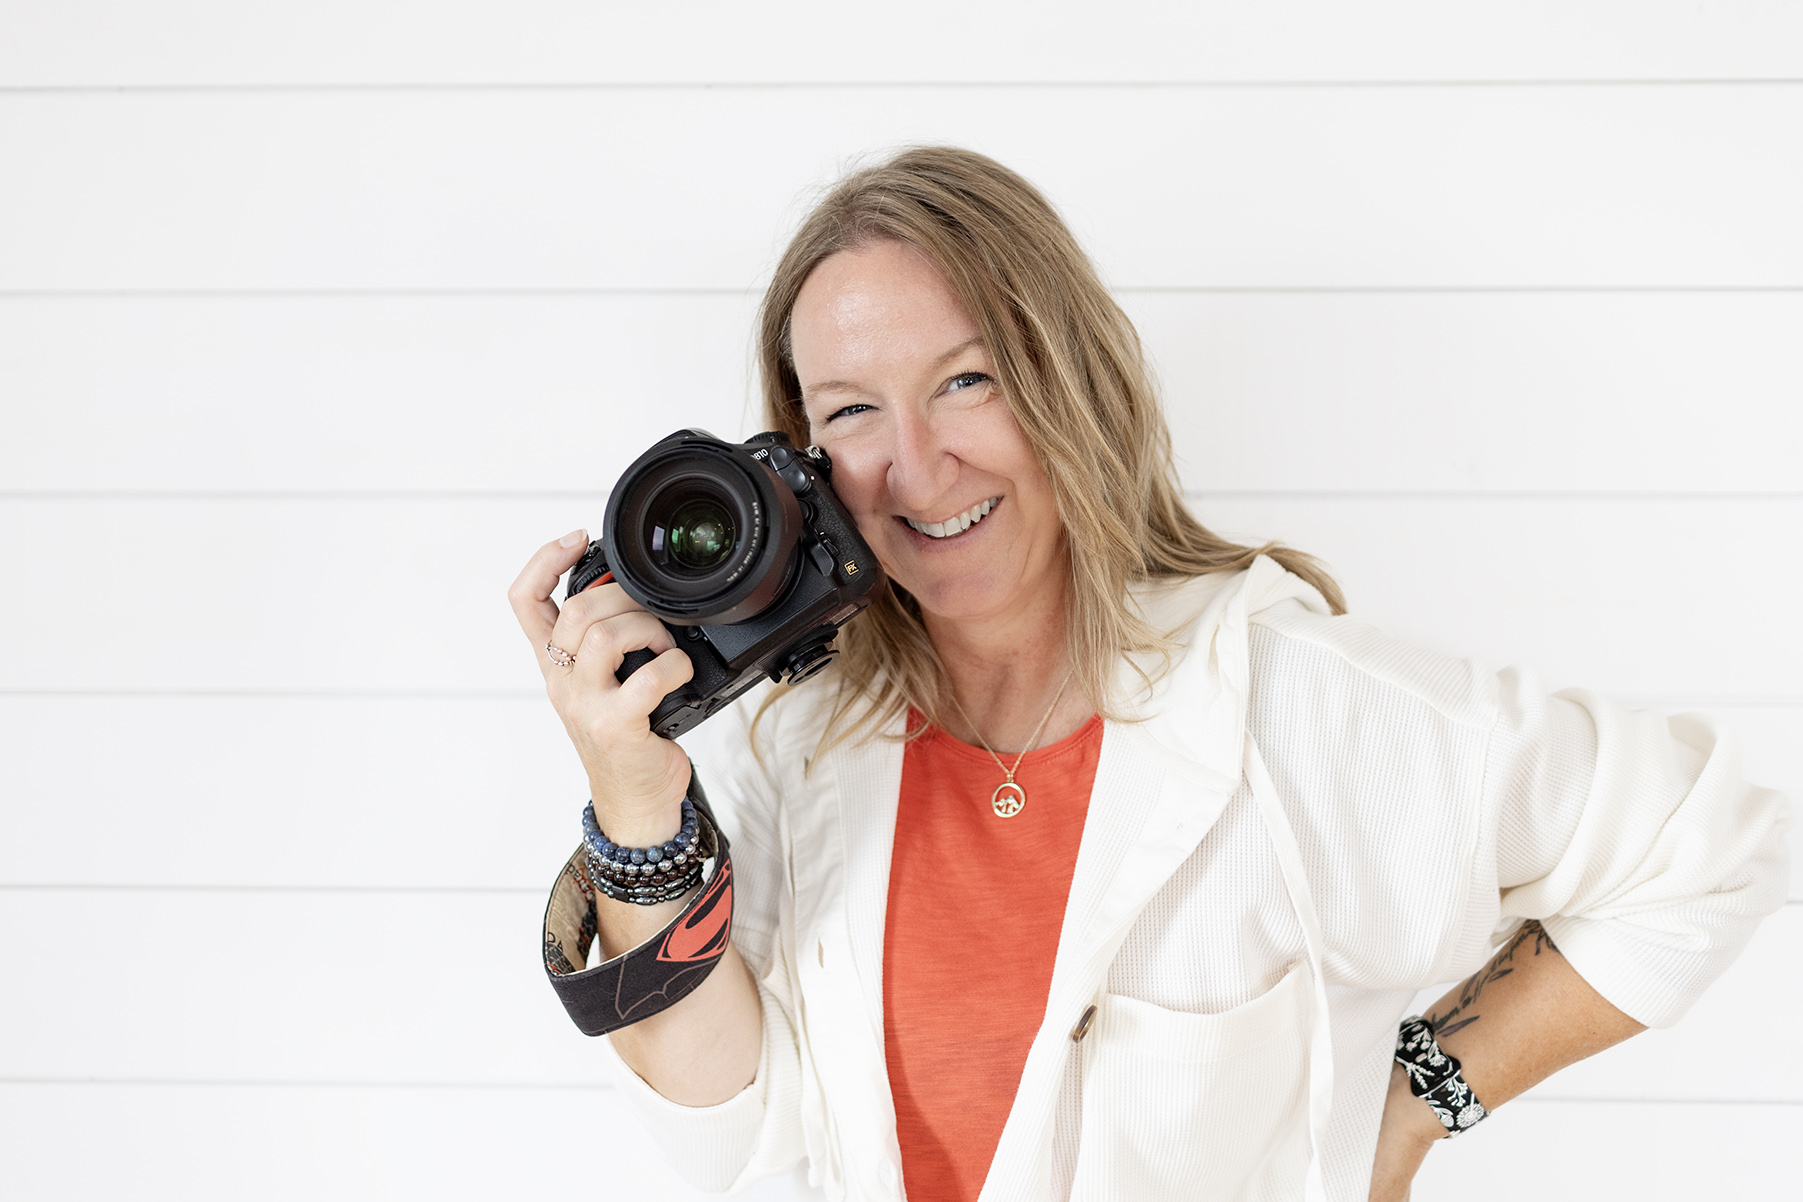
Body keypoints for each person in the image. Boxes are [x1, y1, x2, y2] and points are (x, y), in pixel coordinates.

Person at [507, 146, 1790, 1202]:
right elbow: (729, 1136)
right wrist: (635, 801)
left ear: (1070, 381)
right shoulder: (808, 745)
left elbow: (1710, 843)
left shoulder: (1299, 701)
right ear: (794, 461)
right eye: (849, 411)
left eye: (968, 380)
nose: (916, 466)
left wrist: (1414, 1106)